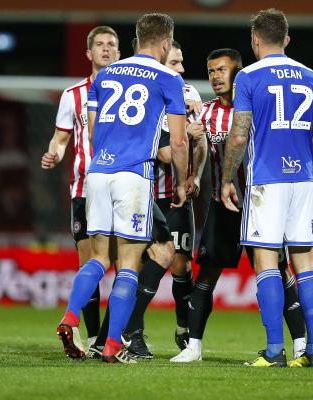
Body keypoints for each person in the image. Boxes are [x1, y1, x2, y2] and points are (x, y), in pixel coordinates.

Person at [55, 13, 188, 364]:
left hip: (98, 173)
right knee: (128, 264)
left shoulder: (108, 74)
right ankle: (112, 345)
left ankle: (70, 316)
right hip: (134, 176)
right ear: (164, 43)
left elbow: (95, 131)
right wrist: (181, 182)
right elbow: (177, 142)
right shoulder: (169, 78)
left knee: (98, 258)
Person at [170, 48, 307, 363]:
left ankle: (300, 344)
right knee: (207, 275)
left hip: (260, 205)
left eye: (221, 69)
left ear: (238, 71)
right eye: (211, 71)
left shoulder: (260, 109)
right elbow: (197, 146)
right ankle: (193, 347)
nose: (216, 76)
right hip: (222, 205)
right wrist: (192, 151)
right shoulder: (205, 112)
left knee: (278, 271)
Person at [221, 9, 313, 368]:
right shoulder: (312, 76)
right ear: (286, 39)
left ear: (255, 40)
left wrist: (226, 179)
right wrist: (302, 159)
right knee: (305, 264)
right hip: (301, 180)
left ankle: (274, 351)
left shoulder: (249, 77)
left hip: (265, 180)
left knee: (266, 262)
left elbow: (238, 136)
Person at [120, 40, 206, 358]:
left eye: (182, 62)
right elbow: (166, 151)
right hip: (149, 194)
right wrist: (189, 136)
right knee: (147, 260)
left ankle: (183, 330)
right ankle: (130, 331)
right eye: (174, 63)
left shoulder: (191, 94)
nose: (181, 69)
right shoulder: (150, 95)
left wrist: (195, 176)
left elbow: (201, 142)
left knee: (181, 265)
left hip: (180, 198)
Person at [41, 25, 120, 350]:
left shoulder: (130, 92)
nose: (104, 49)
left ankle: (110, 337)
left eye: (110, 45)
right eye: (99, 44)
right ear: (88, 53)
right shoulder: (73, 95)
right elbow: (60, 139)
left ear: (118, 52)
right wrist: (54, 154)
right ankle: (91, 337)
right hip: (85, 190)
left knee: (125, 264)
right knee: (91, 264)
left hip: (121, 189)